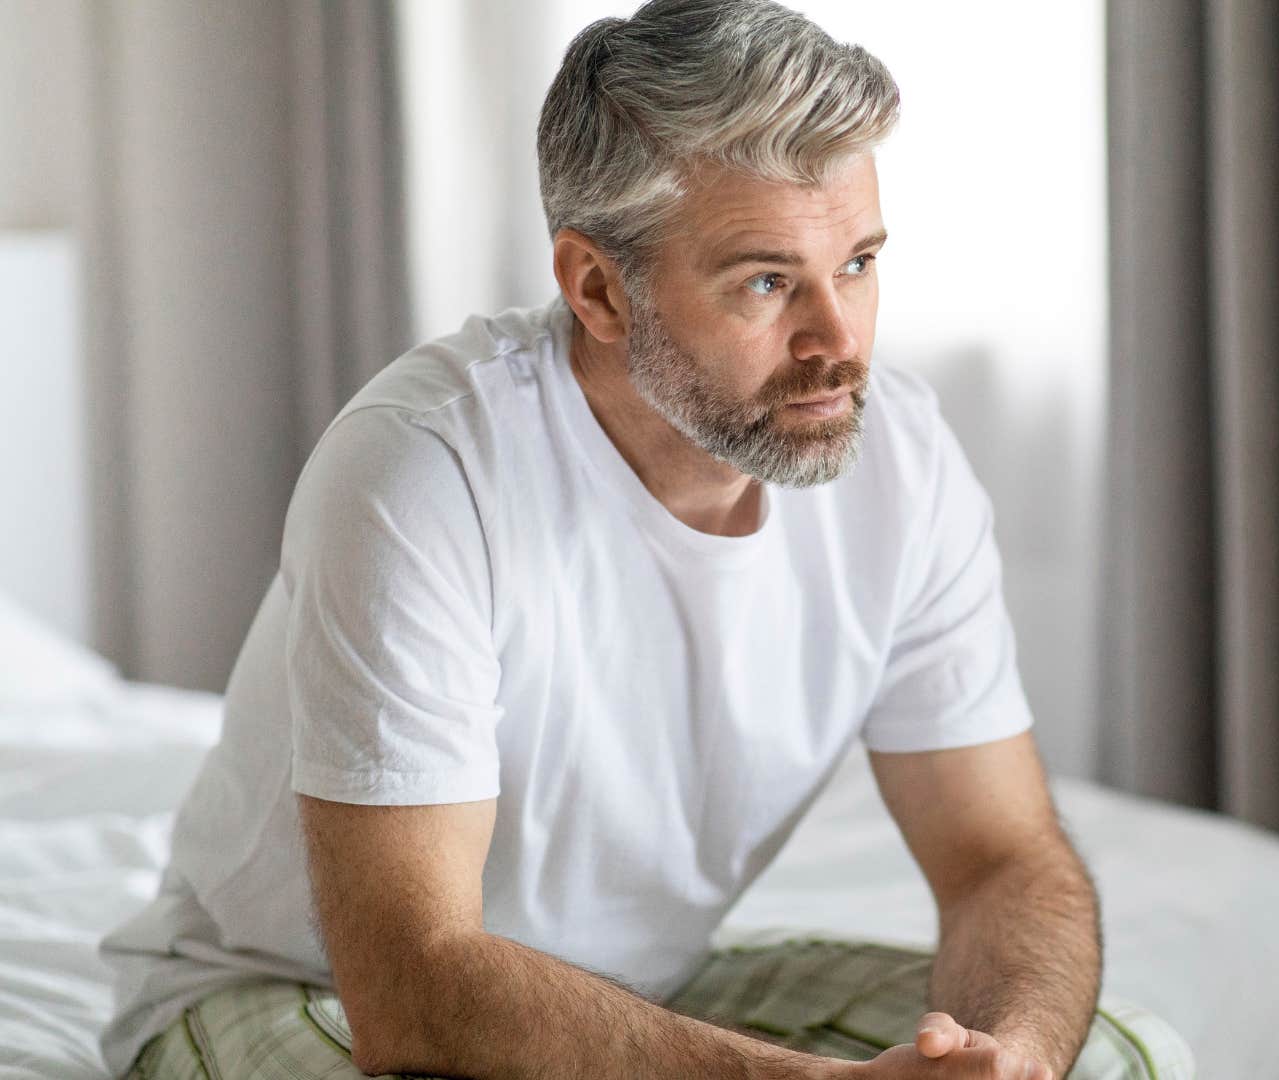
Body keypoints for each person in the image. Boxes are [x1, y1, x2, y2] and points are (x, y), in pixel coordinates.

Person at [96, 2, 1191, 1078]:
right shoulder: (424, 471)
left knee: (1114, 1054)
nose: (838, 342)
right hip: (309, 992)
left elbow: (999, 859)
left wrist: (1015, 1065)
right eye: (767, 281)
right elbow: (415, 990)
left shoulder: (899, 457)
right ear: (597, 288)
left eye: (856, 263)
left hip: (630, 995)